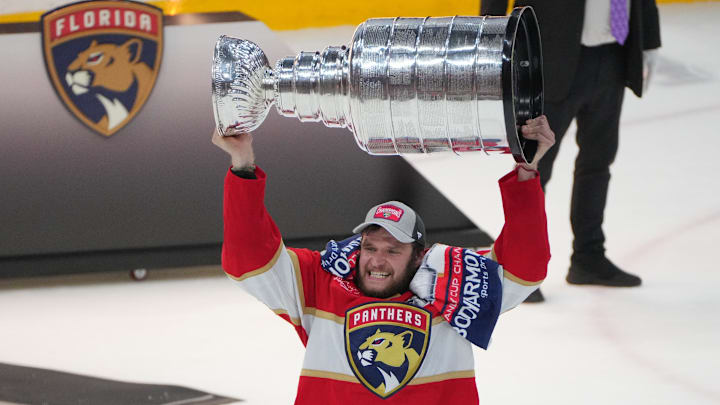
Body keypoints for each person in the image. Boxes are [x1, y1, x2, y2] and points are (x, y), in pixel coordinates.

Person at [212, 116, 554, 404]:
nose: (377, 260)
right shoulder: (320, 284)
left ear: (419, 256)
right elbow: (249, 261)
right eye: (370, 247)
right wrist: (242, 164)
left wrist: (526, 172)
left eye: (393, 250)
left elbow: (525, 268)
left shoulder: (455, 288)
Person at [481, 0, 662, 302]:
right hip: (551, 54)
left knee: (598, 161)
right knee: (534, 167)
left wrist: (650, 39)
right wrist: (487, 40)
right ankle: (519, 268)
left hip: (614, 54)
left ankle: (588, 256)